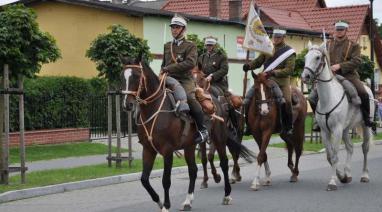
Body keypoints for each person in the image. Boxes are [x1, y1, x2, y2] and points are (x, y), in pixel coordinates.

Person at [308, 20, 374, 131]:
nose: (338, 32)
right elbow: (322, 60)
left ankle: (367, 119)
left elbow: (357, 61)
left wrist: (340, 66)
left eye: (341, 30)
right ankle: (318, 121)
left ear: (346, 30)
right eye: (337, 29)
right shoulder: (328, 44)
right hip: (331, 76)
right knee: (312, 97)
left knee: (363, 93)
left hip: (349, 75)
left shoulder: (354, 45)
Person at [161, 14, 209, 144]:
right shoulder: (167, 45)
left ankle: (203, 130)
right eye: (173, 27)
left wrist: (169, 68)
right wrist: (161, 73)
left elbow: (190, 63)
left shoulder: (190, 46)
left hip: (184, 80)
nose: (174, 30)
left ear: (183, 29)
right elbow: (163, 64)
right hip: (169, 78)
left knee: (190, 98)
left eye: (177, 27)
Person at [242, 28, 296, 135]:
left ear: (283, 38)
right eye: (274, 36)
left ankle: (288, 126)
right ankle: (248, 125)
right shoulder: (267, 48)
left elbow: (289, 70)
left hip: (281, 81)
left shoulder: (289, 52)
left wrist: (274, 72)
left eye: (278, 37)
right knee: (247, 99)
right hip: (264, 80)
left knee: (287, 101)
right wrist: (249, 66)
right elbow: (258, 61)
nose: (275, 39)